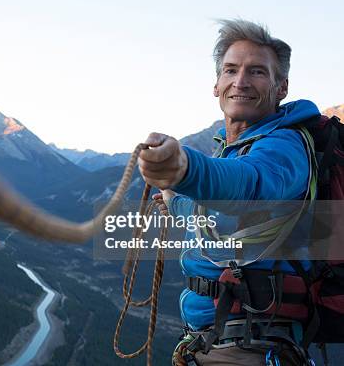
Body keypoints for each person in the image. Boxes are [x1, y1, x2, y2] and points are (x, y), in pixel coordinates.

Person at [137, 19, 320, 365]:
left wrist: (186, 169)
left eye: (257, 72)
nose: (240, 82)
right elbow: (220, 219)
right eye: (231, 70)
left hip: (249, 344)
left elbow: (249, 185)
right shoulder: (233, 149)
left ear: (282, 88)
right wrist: (177, 200)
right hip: (222, 339)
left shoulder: (285, 146)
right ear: (216, 84)